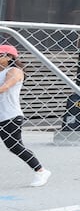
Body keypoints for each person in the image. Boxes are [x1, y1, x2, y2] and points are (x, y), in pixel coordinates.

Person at [0, 44, 48, 187]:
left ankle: (41, 171)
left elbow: (5, 87)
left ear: (9, 57)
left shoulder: (14, 71)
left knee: (14, 146)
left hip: (10, 116)